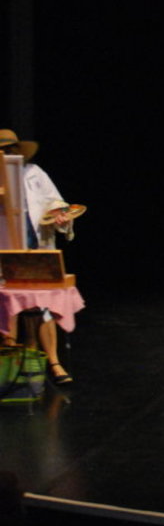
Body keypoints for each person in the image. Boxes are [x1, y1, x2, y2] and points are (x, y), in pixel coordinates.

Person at [1, 129, 81, 386]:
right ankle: (12, 362)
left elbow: (54, 202)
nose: (6, 155)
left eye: (9, 150)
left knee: (43, 304)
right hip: (6, 250)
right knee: (8, 304)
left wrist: (61, 216)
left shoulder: (34, 173)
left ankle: (53, 361)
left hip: (36, 247)